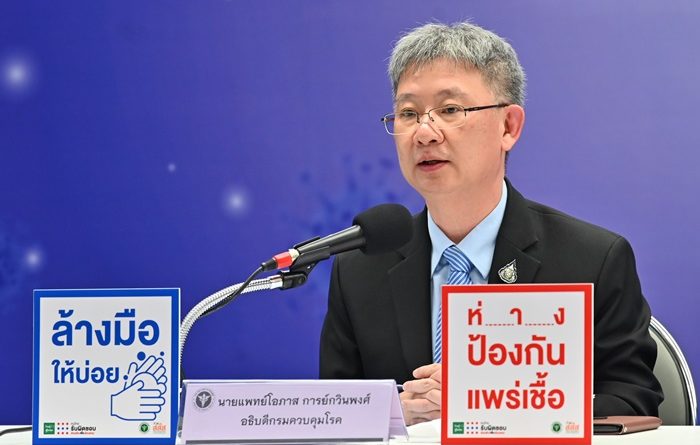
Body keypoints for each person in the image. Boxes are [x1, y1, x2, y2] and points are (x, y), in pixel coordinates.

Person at [319, 21, 663, 425]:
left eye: (450, 110)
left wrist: (487, 408)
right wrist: (393, 413)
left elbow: (631, 402)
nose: (425, 133)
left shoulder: (593, 260)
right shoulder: (360, 271)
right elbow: (336, 414)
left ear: (508, 126)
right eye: (408, 113)